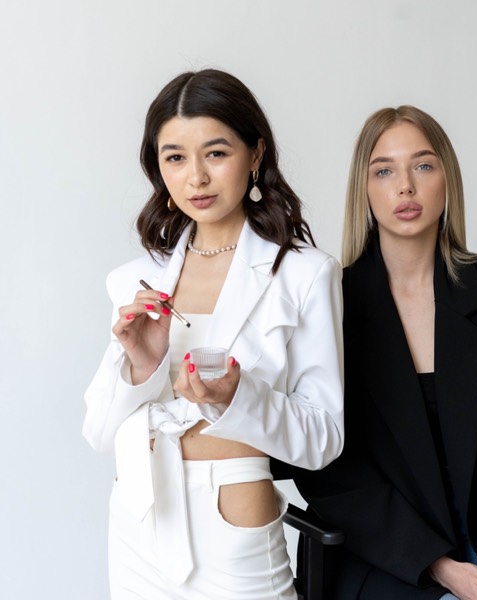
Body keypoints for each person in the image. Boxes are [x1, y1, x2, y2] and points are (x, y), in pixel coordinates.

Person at [83, 69, 344, 600]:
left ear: (255, 154)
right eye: (175, 157)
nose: (196, 177)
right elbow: (99, 434)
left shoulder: (304, 273)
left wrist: (236, 398)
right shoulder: (133, 281)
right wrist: (141, 367)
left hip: (234, 524)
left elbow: (324, 439)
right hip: (136, 519)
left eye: (216, 153)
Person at [293, 106, 477, 599]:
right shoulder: (328, 306)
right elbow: (334, 475)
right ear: (364, 190)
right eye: (384, 171)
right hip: (386, 556)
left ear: (448, 180)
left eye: (423, 165)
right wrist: (439, 566)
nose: (405, 187)